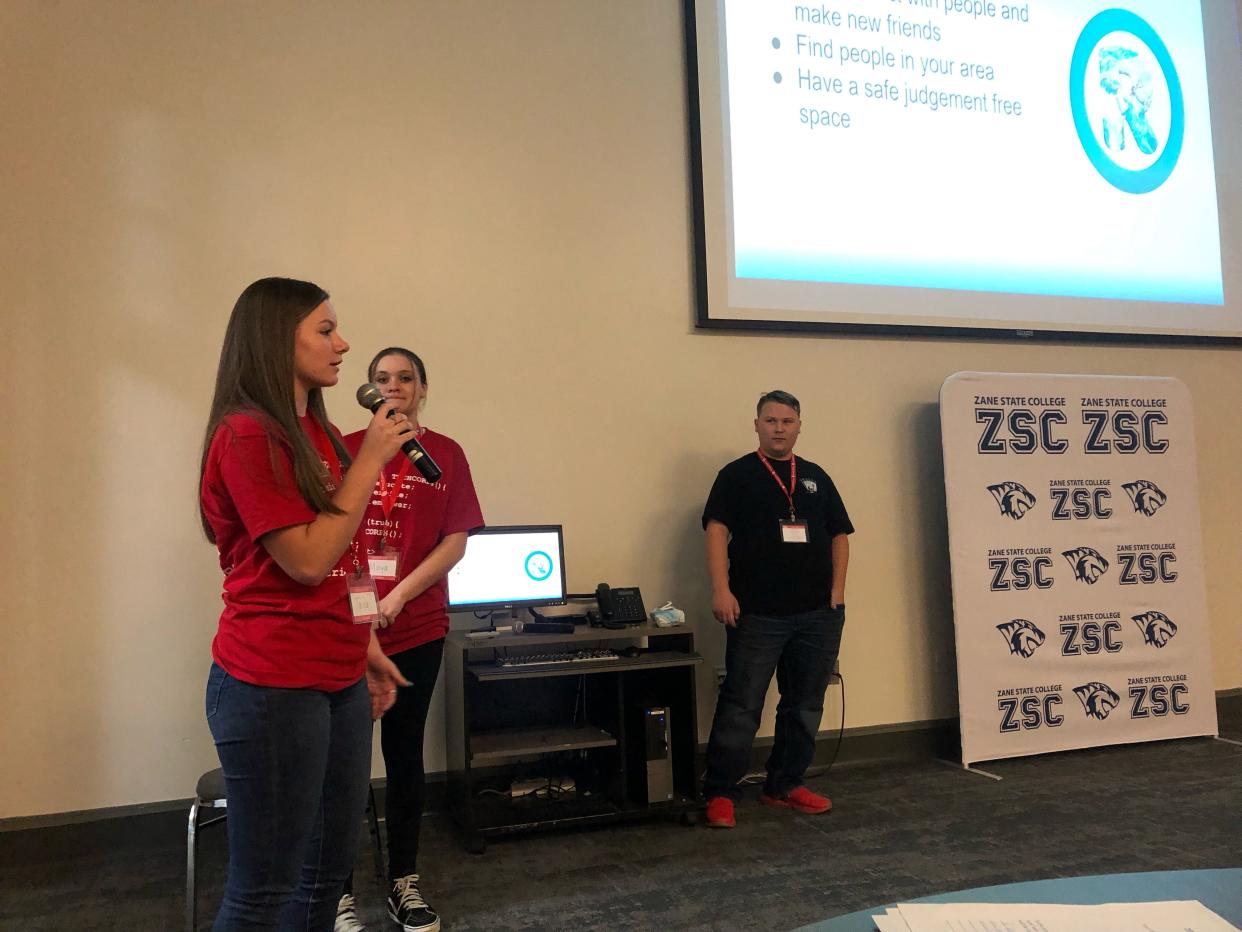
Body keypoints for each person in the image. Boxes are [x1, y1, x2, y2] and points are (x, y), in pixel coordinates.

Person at [199, 277, 414, 930]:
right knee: (264, 891)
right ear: (274, 337)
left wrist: (367, 646)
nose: (343, 343)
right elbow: (307, 559)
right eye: (325, 330)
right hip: (272, 686)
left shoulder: (315, 433)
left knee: (322, 880)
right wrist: (371, 461)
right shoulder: (246, 434)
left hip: (339, 675)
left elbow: (345, 563)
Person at [334, 347, 483, 932]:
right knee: (343, 763)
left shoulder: (442, 454)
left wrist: (396, 599)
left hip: (416, 625)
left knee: (404, 756)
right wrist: (362, 605)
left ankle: (403, 880)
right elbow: (333, 533)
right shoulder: (344, 447)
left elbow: (456, 539)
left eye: (404, 378)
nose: (392, 387)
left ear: (422, 389)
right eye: (380, 379)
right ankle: (337, 891)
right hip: (346, 628)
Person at [700, 390, 853, 828]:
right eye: (770, 421)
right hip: (757, 614)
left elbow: (840, 534)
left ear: (799, 426)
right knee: (741, 704)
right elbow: (716, 531)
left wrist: (836, 591)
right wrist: (721, 590)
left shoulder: (816, 477)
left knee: (804, 704)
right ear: (756, 425)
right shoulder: (736, 475)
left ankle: (784, 785)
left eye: (787, 421)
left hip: (817, 614)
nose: (778, 428)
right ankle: (721, 792)